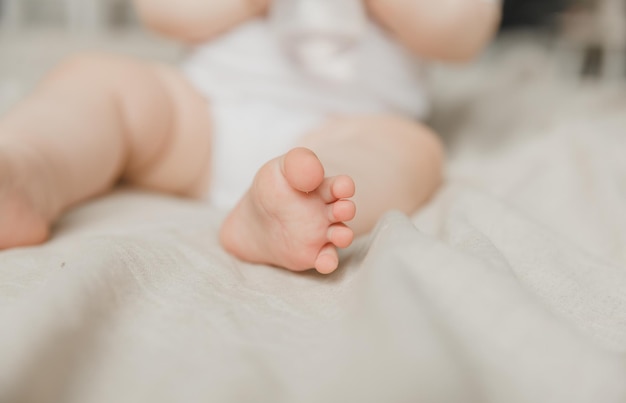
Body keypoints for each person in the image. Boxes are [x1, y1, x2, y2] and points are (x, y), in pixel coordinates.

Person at [0, 0, 501, 274]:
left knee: (413, 149)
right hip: (199, 118)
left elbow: (465, 30)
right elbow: (160, 11)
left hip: (347, 129)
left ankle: (289, 208)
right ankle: (27, 168)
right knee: (101, 80)